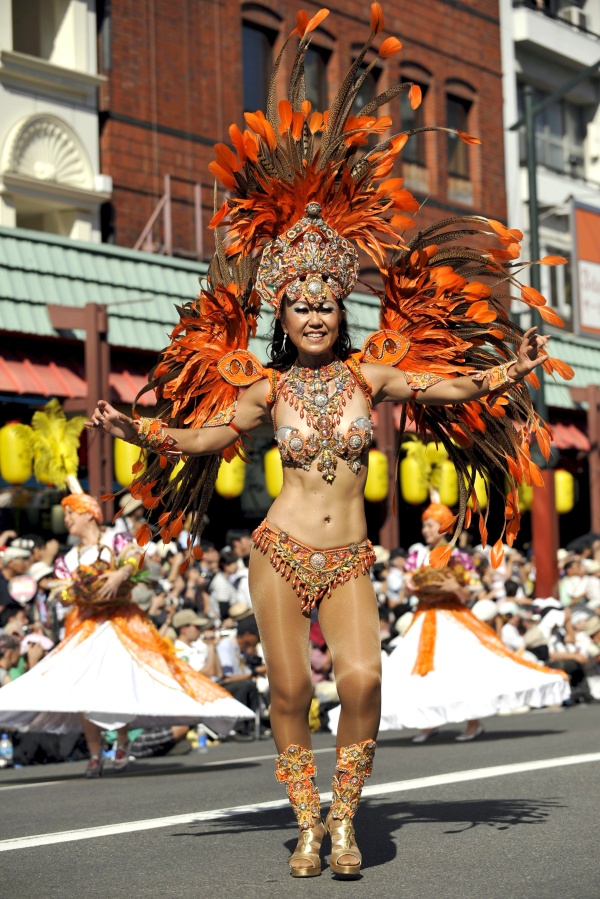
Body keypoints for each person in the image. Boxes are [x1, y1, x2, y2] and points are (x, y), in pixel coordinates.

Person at [85, 5, 571, 878]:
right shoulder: (264, 388)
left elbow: (447, 383)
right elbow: (202, 439)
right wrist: (137, 427)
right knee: (291, 690)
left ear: (339, 308)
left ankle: (347, 817)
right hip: (278, 551)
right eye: (298, 303)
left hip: (347, 556)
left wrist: (508, 372)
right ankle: (307, 821)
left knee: (363, 682)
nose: (312, 313)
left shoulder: (371, 375)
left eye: (324, 302)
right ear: (284, 312)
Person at [0, 492, 253, 777]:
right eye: (67, 514)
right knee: (83, 688)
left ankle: (122, 742)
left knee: (119, 682)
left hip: (120, 622)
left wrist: (119, 575)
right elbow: (63, 593)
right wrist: (79, 591)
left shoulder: (115, 540)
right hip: (87, 627)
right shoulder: (68, 558)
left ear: (88, 514)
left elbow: (135, 560)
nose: (67, 519)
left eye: (71, 513)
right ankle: (95, 754)